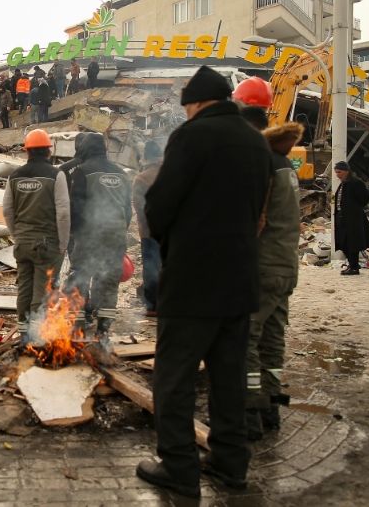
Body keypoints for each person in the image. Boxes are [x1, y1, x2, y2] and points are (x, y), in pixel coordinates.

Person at [138, 66, 271, 497]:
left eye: (188, 107)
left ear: (195, 104)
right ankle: (231, 462)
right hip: (240, 281)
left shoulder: (190, 137)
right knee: (228, 377)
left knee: (173, 378)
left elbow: (159, 206)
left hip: (193, 282)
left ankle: (179, 467)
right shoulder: (255, 142)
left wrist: (170, 240)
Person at [245, 122, 304, 440]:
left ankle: (249, 412)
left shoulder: (264, 167)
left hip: (263, 267)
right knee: (273, 339)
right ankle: (271, 408)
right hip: (285, 266)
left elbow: (255, 219)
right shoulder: (285, 166)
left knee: (245, 338)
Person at [2, 129, 70, 345]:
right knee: (42, 291)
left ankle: (24, 334)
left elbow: (7, 210)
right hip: (46, 244)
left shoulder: (15, 176)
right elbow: (63, 212)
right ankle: (37, 340)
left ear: (27, 151)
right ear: (49, 150)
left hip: (22, 243)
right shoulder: (56, 175)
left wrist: (16, 234)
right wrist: (63, 242)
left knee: (24, 288)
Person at [65, 132, 131, 348]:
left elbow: (76, 206)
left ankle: (80, 325)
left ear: (83, 149)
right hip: (115, 233)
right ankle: (103, 330)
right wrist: (120, 230)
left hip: (89, 233)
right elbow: (127, 210)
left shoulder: (83, 171)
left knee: (81, 275)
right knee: (109, 281)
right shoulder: (121, 173)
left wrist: (74, 234)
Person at [131, 140, 164, 317]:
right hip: (171, 231)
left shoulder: (142, 178)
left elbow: (139, 207)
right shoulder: (171, 173)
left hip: (150, 232)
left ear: (146, 157)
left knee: (151, 268)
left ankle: (152, 305)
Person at [333, 161, 369, 276]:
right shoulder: (343, 184)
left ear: (346, 171)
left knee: (352, 242)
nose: (337, 174)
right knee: (343, 241)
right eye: (336, 172)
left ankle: (354, 266)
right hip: (342, 217)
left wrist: (354, 208)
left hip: (353, 218)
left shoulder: (355, 183)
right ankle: (352, 264)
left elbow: (365, 198)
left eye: (339, 172)